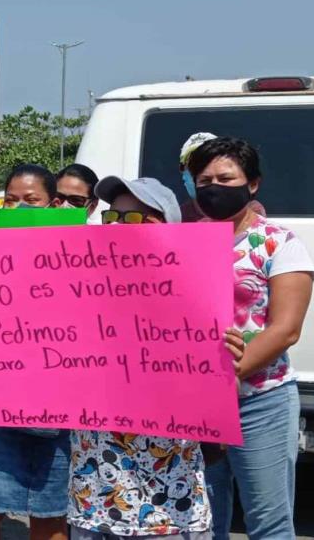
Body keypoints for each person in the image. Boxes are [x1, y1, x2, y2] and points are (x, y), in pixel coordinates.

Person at [69, 176, 212, 540]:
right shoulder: (75, 291)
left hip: (169, 509)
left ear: (165, 228)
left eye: (130, 218)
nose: (116, 226)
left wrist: (227, 359)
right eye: (111, 216)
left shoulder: (198, 298)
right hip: (94, 503)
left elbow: (220, 390)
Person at [186, 137, 314, 540]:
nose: (215, 187)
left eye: (226, 178)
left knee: (268, 522)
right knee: (202, 520)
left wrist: (222, 380)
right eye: (204, 179)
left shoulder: (279, 242)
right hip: (195, 406)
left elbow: (285, 329)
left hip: (261, 400)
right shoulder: (183, 241)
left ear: (253, 184)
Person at [0, 163, 69, 540]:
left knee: (50, 514)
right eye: (10, 201)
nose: (19, 209)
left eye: (31, 200)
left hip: (58, 403)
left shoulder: (80, 255)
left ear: (54, 205)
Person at [178, 132, 266, 222]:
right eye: (205, 179)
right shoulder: (178, 215)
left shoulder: (253, 210)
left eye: (225, 179)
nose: (214, 185)